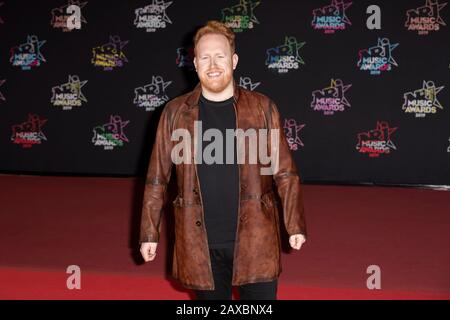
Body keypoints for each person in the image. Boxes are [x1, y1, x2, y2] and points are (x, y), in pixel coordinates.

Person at [139, 20, 307, 300]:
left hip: (256, 242)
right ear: (194, 63)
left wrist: (295, 224)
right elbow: (157, 179)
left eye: (220, 56)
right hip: (200, 246)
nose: (213, 64)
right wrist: (148, 232)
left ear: (234, 60)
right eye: (204, 57)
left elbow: (285, 172)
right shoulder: (174, 113)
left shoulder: (263, 108)